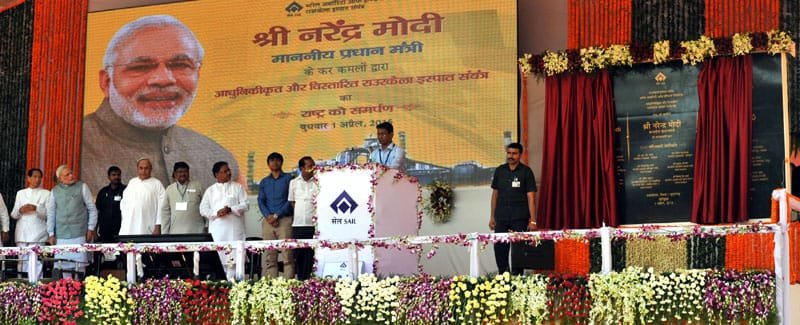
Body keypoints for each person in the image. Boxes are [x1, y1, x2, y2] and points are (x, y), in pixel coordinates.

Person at [80, 14, 241, 193]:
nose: (163, 80)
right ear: (106, 81)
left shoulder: (216, 157)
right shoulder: (76, 146)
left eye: (180, 65)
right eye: (140, 67)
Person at [489, 143, 537, 275]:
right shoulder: (500, 170)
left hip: (519, 217)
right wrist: (492, 217)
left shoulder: (526, 172)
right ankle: (503, 278)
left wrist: (533, 220)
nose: (510, 156)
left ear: (520, 155)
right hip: (501, 217)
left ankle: (517, 281)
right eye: (509, 153)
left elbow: (531, 197)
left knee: (518, 251)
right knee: (500, 249)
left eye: (514, 153)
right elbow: (495, 195)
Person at [199, 161, 249, 280]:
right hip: (218, 232)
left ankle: (237, 289)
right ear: (217, 174)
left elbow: (246, 205)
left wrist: (230, 209)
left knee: (235, 261)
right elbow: (203, 209)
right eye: (225, 171)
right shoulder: (210, 191)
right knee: (220, 261)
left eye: (228, 170)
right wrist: (216, 213)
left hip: (234, 232)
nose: (229, 172)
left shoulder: (238, 187)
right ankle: (222, 289)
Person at [46, 165, 98, 278]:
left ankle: (78, 289)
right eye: (67, 175)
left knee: (80, 265)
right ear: (60, 178)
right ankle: (67, 291)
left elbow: (92, 209)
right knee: (63, 265)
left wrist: (90, 228)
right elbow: (51, 213)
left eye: (71, 173)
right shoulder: (54, 191)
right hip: (61, 234)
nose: (71, 176)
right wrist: (51, 233)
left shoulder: (82, 187)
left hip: (79, 233)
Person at [257, 152, 294, 278]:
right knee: (269, 255)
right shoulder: (264, 182)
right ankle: (272, 284)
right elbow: (261, 201)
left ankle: (289, 284)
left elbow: (290, 200)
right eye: (272, 160)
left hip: (284, 220)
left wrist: (277, 215)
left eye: (277, 160)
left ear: (281, 162)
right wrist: (268, 216)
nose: (275, 163)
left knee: (287, 254)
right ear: (268, 164)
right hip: (268, 222)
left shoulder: (289, 179)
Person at [10, 168, 50, 279]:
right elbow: (13, 214)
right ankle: (22, 286)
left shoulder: (46, 193)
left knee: (36, 262)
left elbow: (49, 215)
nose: (37, 180)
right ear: (28, 178)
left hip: (38, 233)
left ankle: (36, 287)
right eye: (34, 177)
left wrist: (36, 208)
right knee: (22, 261)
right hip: (22, 232)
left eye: (39, 177)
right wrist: (20, 210)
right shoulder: (20, 193)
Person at [288, 156, 318, 280]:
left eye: (313, 165)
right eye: (309, 166)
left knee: (311, 255)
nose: (312, 168)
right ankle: (300, 280)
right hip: (298, 224)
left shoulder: (318, 182)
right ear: (302, 168)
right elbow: (292, 202)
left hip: (313, 225)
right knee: (299, 254)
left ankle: (311, 281)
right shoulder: (293, 183)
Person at [119, 158, 166, 235]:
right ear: (137, 169)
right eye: (141, 168)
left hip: (147, 225)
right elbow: (124, 203)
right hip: (129, 226)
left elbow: (162, 206)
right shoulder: (132, 182)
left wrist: (158, 225)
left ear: (151, 169)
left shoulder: (157, 184)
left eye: (146, 168)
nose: (143, 171)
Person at [160, 161, 205, 234]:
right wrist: (164, 232)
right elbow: (165, 212)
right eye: (180, 172)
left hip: (197, 230)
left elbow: (205, 207)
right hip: (175, 232)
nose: (183, 174)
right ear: (175, 174)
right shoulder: (169, 189)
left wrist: (207, 226)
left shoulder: (198, 186)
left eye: (185, 171)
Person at [95, 166, 126, 243]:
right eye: (113, 175)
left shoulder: (126, 190)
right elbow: (97, 211)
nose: (116, 177)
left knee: (121, 254)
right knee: (105, 253)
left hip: (121, 230)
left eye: (118, 175)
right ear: (109, 177)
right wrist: (95, 231)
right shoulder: (102, 192)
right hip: (105, 231)